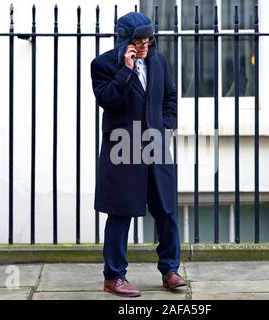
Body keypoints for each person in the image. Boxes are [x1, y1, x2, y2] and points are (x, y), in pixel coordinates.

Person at [90, 11, 186, 298]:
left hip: (156, 145)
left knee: (166, 211)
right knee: (120, 213)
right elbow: (107, 100)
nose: (144, 45)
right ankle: (114, 277)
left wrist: (166, 127)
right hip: (122, 147)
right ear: (124, 40)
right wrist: (127, 70)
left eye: (147, 39)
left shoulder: (158, 60)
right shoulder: (103, 65)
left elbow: (169, 96)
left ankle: (170, 270)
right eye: (138, 40)